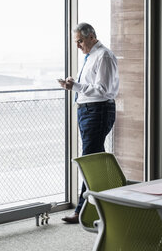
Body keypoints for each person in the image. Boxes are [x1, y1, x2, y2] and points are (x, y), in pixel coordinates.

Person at [58, 22, 119, 224]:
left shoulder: (104, 56)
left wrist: (75, 86)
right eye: (76, 41)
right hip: (87, 111)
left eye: (80, 41)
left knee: (90, 160)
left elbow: (103, 90)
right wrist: (73, 85)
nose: (78, 45)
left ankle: (81, 210)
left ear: (91, 36)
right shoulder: (91, 56)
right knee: (96, 161)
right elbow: (91, 87)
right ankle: (110, 205)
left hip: (98, 111)